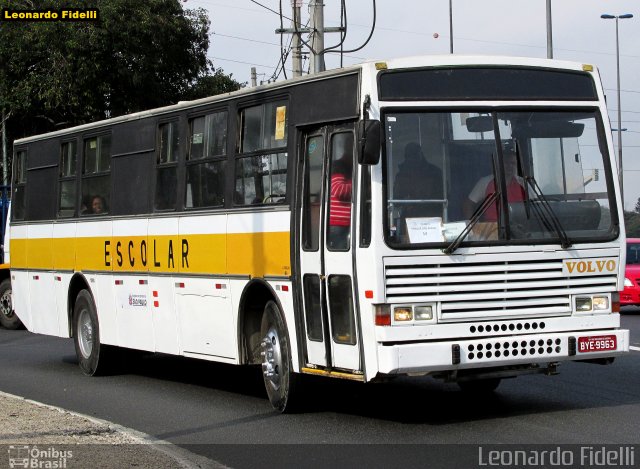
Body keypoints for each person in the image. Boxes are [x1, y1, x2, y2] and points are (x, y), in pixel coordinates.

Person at [464, 148, 525, 221]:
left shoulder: (523, 183)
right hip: (492, 229)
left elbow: (536, 205)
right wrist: (474, 226)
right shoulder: (485, 182)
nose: (510, 166)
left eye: (513, 163)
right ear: (498, 164)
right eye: (506, 163)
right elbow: (467, 204)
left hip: (520, 228)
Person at [393, 142, 443, 218]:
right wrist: (405, 201)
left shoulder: (435, 173)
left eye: (414, 155)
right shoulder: (401, 175)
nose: (412, 158)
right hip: (408, 218)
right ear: (406, 157)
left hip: (432, 218)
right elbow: (395, 201)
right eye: (409, 155)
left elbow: (441, 199)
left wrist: (419, 202)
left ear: (421, 155)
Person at [328, 153, 353, 250]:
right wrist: (357, 185)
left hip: (345, 222)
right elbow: (338, 190)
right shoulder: (339, 168)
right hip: (338, 223)